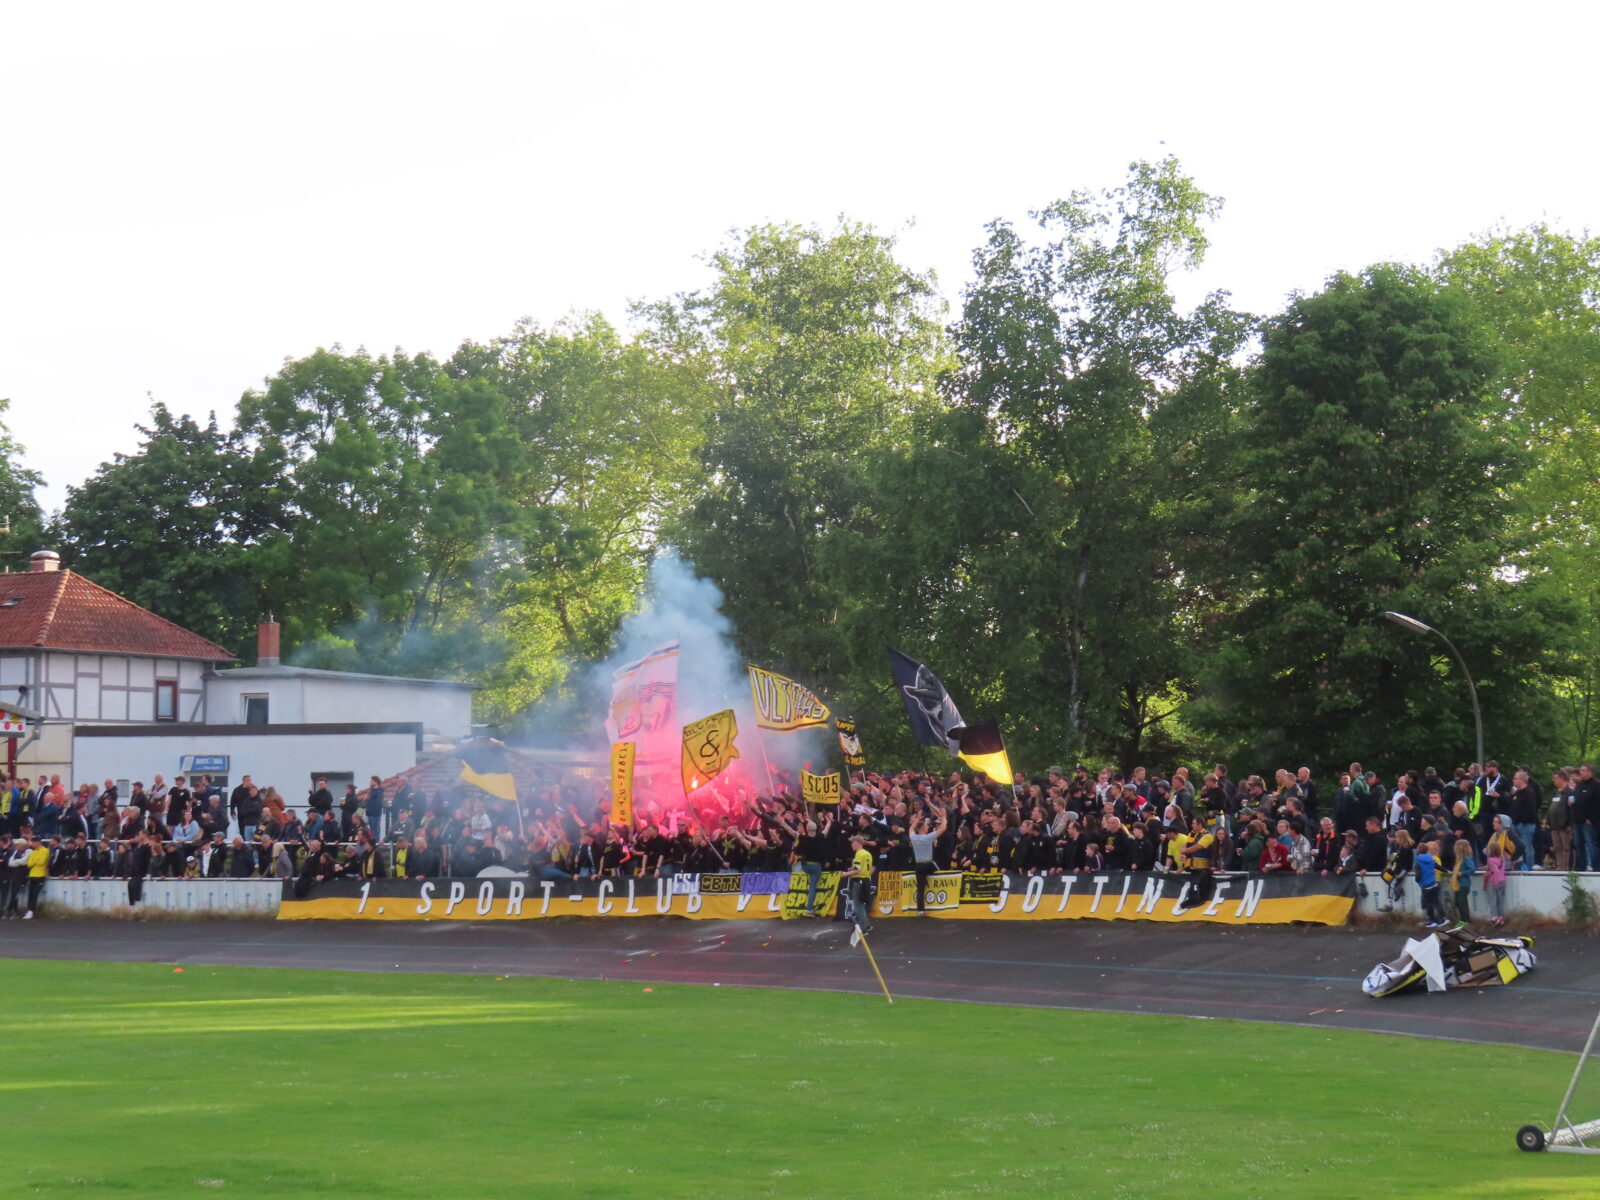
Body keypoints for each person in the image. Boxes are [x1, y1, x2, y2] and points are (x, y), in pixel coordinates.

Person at [906, 805, 946, 914]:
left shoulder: (914, 838)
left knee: (920, 889)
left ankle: (920, 911)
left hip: (918, 865)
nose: (928, 827)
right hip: (928, 864)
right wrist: (944, 818)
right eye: (926, 826)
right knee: (942, 876)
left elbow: (910, 829)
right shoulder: (928, 837)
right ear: (923, 829)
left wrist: (917, 820)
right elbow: (943, 829)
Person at [841, 835, 874, 932]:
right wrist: (852, 869)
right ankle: (867, 925)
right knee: (860, 905)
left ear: (857, 843)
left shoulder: (859, 854)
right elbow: (863, 868)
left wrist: (846, 874)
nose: (851, 844)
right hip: (866, 880)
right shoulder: (867, 853)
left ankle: (863, 929)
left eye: (852, 842)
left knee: (858, 905)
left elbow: (857, 871)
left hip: (859, 881)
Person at [1415, 840, 1446, 928]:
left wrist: (1418, 881)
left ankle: (1432, 920)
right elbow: (1438, 867)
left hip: (1426, 884)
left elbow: (1418, 875)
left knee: (1429, 902)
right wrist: (1446, 871)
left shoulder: (1419, 861)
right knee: (1435, 901)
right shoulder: (1431, 859)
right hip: (1433, 882)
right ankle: (1440, 918)